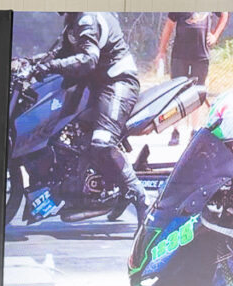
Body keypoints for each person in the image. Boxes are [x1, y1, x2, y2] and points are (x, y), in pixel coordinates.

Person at [33, 12, 149, 225]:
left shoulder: (88, 18)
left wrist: (50, 66)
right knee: (75, 139)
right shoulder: (74, 19)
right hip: (95, 85)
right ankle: (105, 189)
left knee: (102, 143)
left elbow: (88, 59)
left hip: (117, 83)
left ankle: (140, 197)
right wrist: (31, 64)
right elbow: (62, 52)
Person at [155, 12, 229, 144]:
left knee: (197, 93)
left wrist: (215, 35)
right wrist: (162, 51)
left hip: (201, 55)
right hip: (180, 55)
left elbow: (224, 14)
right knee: (176, 93)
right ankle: (175, 131)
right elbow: (169, 26)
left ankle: (194, 131)